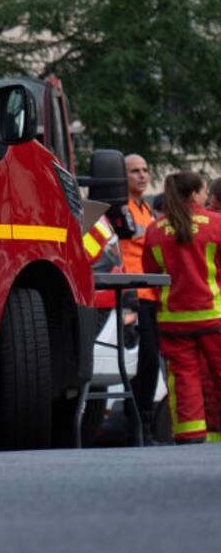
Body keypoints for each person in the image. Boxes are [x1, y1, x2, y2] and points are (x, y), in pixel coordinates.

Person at [141, 172, 221, 444]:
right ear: (194, 193)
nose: (206, 195)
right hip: (213, 315)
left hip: (173, 319)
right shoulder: (215, 223)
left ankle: (189, 435)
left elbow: (150, 272)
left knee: (183, 379)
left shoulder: (155, 229)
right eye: (203, 190)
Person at [120, 153, 159, 442]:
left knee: (150, 361)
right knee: (141, 360)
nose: (142, 175)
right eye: (135, 171)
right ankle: (136, 424)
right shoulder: (120, 209)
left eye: (145, 170)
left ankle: (142, 422)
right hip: (131, 294)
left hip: (152, 292)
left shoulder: (145, 208)